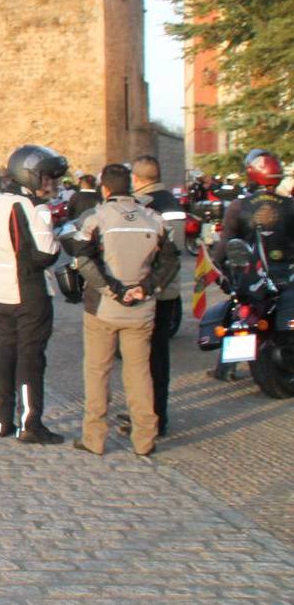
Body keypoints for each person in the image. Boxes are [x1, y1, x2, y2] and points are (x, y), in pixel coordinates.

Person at [67, 164, 180, 457]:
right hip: (141, 308)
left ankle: (94, 437)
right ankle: (144, 438)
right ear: (130, 186)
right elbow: (170, 262)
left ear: (105, 189)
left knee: (97, 371)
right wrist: (146, 288)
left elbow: (83, 259)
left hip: (103, 307)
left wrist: (112, 290)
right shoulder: (154, 219)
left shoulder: (97, 218)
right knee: (139, 373)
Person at [0, 144, 67, 444]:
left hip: (1, 286)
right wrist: (56, 238)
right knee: (31, 356)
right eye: (45, 178)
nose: (49, 184)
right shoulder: (32, 207)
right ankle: (31, 423)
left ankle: (2, 418)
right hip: (29, 289)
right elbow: (45, 254)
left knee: (5, 351)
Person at [211, 149, 294, 380]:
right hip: (285, 273)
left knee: (239, 312)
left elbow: (226, 242)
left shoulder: (239, 206)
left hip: (250, 274)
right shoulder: (290, 204)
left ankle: (226, 369)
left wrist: (215, 266)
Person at [122, 155, 183, 437]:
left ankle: (149, 417)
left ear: (136, 178)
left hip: (147, 289)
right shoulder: (173, 203)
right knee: (161, 357)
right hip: (170, 290)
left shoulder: (141, 206)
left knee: (144, 359)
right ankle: (158, 413)